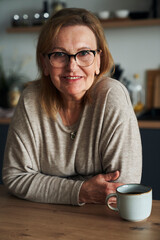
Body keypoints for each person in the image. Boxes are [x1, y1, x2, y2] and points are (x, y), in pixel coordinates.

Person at [2, 8, 142, 205]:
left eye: (84, 53)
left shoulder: (112, 95)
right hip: (41, 220)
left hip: (103, 221)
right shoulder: (31, 99)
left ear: (98, 61)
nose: (72, 66)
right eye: (59, 54)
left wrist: (44, 185)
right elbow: (15, 176)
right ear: (44, 63)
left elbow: (122, 187)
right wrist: (82, 191)